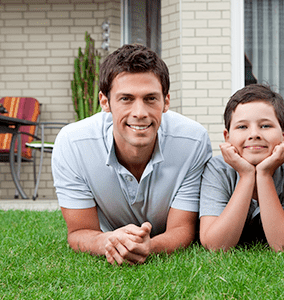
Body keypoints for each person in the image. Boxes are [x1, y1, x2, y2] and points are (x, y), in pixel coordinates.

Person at [52, 44, 212, 265]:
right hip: (109, 234)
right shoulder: (73, 144)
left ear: (166, 101)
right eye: (126, 99)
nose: (140, 113)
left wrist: (148, 248)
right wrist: (109, 242)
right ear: (105, 101)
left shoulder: (193, 141)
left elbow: (182, 229)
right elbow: (80, 231)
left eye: (150, 98)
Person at [199, 84, 284, 251]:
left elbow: (283, 245)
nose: (254, 134)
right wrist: (246, 175)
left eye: (265, 126)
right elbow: (215, 246)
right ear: (227, 136)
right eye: (242, 127)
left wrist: (264, 174)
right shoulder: (217, 169)